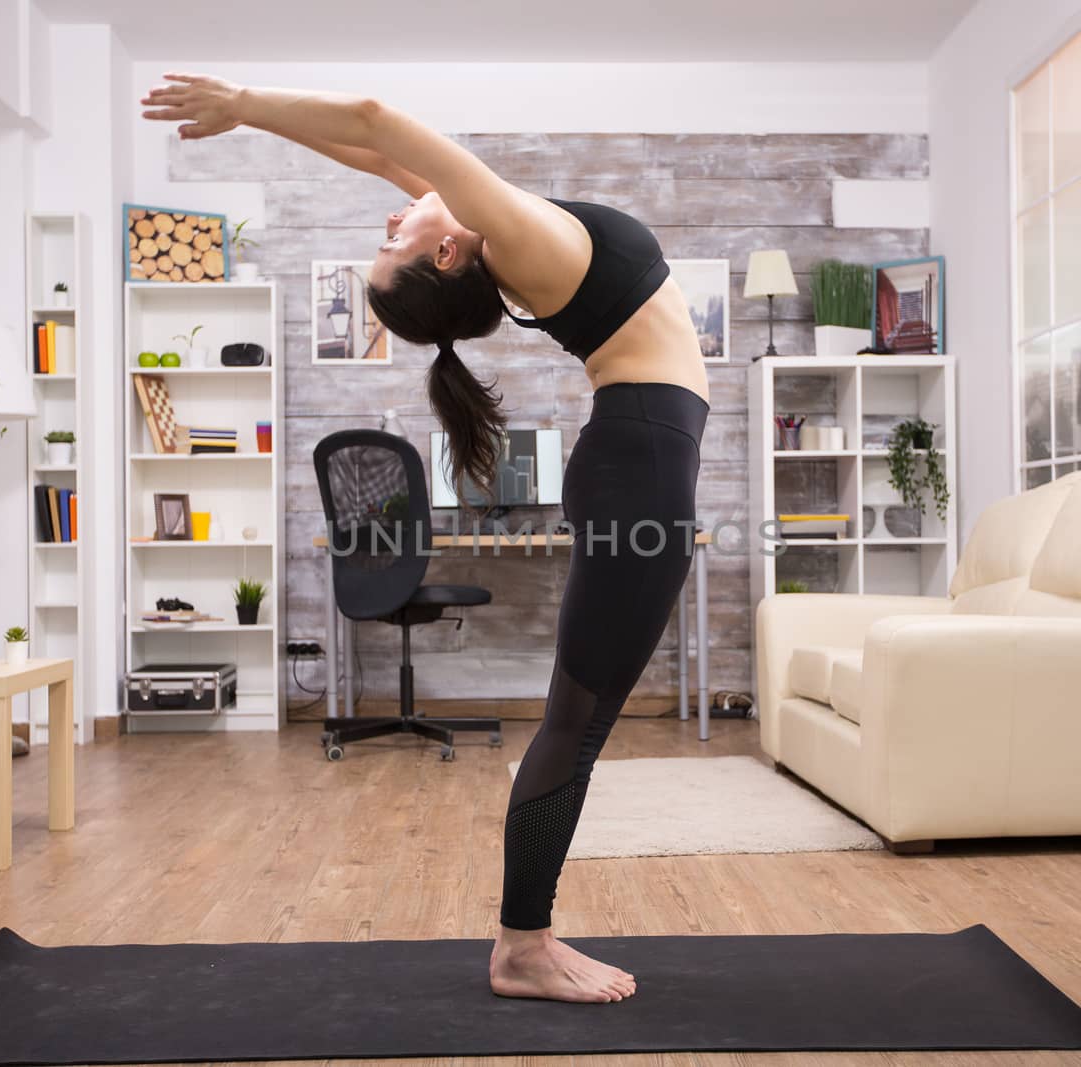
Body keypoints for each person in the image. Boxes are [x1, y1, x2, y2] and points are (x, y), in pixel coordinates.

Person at [143, 74, 710, 1005]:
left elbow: (377, 150)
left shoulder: (500, 235)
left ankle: (524, 937)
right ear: (449, 254)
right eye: (392, 240)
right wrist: (242, 105)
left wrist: (258, 116)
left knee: (579, 716)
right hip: (640, 465)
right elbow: (376, 122)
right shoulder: (519, 237)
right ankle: (523, 944)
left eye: (385, 236)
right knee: (578, 721)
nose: (389, 222)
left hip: (639, 455)